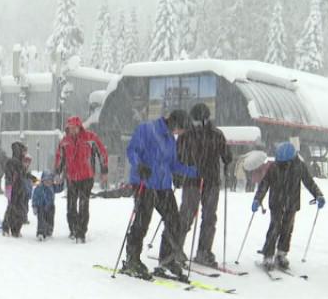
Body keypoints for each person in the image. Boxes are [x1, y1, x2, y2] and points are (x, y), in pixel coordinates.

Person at [122, 110, 197, 279]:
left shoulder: (170, 138)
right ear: (174, 123)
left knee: (174, 221)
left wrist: (192, 172)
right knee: (142, 221)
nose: (179, 133)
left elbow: (172, 163)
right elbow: (132, 150)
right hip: (145, 182)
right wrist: (139, 165)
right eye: (180, 129)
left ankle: (167, 260)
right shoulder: (147, 129)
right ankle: (132, 259)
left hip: (163, 186)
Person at [176, 103, 232, 267]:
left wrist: (227, 160)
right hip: (192, 180)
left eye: (200, 121)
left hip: (211, 181)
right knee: (187, 214)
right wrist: (177, 174)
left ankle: (204, 251)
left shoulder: (216, 134)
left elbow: (226, 154)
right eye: (195, 121)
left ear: (207, 119)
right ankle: (176, 248)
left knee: (209, 216)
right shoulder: (186, 135)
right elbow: (177, 156)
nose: (197, 124)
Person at [252, 142, 324, 270]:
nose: (281, 165)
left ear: (291, 160)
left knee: (287, 229)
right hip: (276, 203)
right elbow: (264, 184)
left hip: (291, 204)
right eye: (280, 162)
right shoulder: (274, 167)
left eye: (284, 163)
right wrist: (257, 199)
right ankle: (268, 255)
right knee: (274, 228)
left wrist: (318, 195)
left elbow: (309, 182)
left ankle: (281, 253)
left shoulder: (299, 167)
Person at [54, 115, 109, 243]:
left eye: (74, 128)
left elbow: (102, 153)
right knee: (71, 205)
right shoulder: (65, 141)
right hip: (71, 177)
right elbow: (59, 158)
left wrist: (104, 170)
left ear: (79, 127)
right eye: (70, 128)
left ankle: (81, 232)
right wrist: (58, 172)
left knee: (84, 205)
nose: (72, 130)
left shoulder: (90, 138)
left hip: (87, 176)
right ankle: (73, 229)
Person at [1, 141, 30, 237]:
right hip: (13, 189)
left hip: (20, 190)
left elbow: (26, 175)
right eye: (24, 151)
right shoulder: (12, 162)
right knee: (12, 209)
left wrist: (37, 180)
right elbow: (9, 176)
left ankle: (16, 229)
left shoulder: (21, 163)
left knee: (20, 210)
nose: (25, 153)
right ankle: (6, 228)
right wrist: (8, 188)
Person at [32, 171, 64, 241]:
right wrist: (34, 206)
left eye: (50, 180)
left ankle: (49, 231)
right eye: (46, 180)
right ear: (42, 180)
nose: (48, 182)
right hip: (40, 207)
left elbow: (60, 189)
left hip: (51, 206)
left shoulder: (53, 187)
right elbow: (34, 197)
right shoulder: (39, 188)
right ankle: (41, 232)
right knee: (41, 220)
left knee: (50, 219)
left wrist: (61, 182)